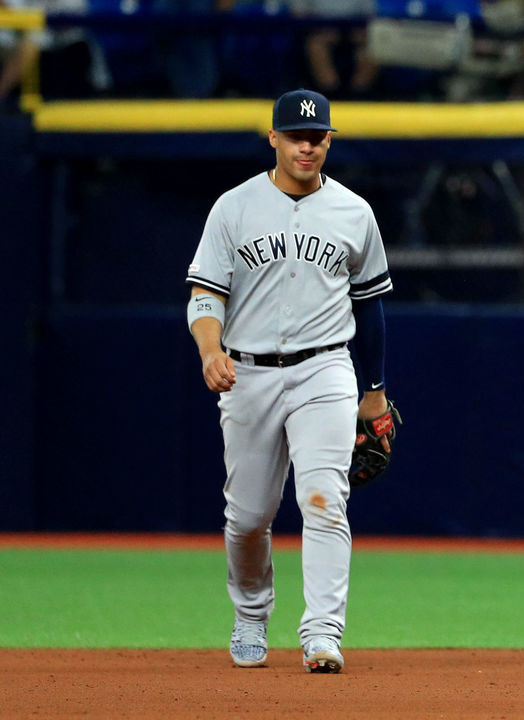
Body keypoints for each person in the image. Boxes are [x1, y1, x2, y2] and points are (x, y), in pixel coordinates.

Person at [185, 88, 394, 673]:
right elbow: (204, 296)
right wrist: (209, 349)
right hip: (247, 372)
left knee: (324, 500)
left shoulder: (355, 212)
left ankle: (323, 633)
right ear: (273, 138)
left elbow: (371, 305)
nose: (307, 145)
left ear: (329, 139)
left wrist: (373, 389)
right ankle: (251, 613)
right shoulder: (234, 207)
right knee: (248, 517)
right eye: (296, 135)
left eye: (317, 135)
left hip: (325, 368)